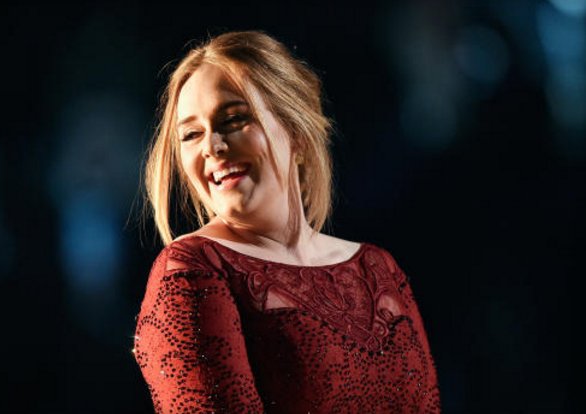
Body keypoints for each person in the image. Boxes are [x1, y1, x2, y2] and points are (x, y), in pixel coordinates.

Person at [132, 31, 440, 413]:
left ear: (296, 130)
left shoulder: (378, 269)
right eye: (192, 134)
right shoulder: (193, 270)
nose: (212, 146)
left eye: (234, 119)